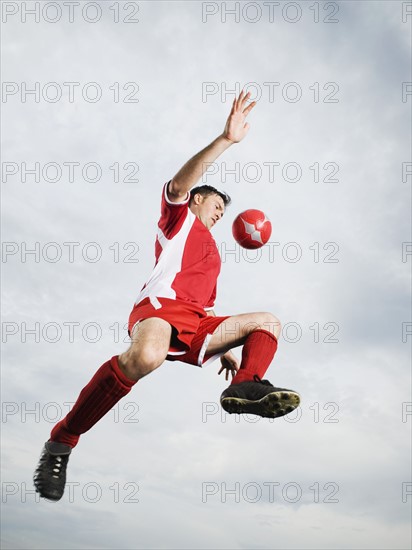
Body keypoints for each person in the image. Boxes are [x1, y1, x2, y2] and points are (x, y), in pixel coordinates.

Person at [33, 90, 300, 502]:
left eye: (223, 213)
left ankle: (246, 386)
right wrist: (225, 140)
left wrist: (225, 350)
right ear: (196, 200)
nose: (218, 214)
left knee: (268, 322)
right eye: (215, 205)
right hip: (161, 309)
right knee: (146, 357)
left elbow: (207, 310)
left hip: (197, 320)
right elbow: (179, 183)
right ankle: (62, 441)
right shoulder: (177, 223)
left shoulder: (213, 257)